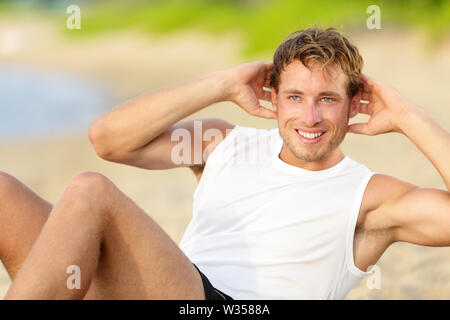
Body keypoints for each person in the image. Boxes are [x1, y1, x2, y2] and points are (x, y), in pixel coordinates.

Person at [1, 27, 449, 300]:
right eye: (295, 97)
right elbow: (107, 139)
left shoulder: (369, 199)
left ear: (353, 106)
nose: (309, 117)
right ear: (273, 98)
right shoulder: (221, 143)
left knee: (90, 191)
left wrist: (408, 118)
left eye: (327, 100)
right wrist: (223, 83)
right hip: (163, 287)